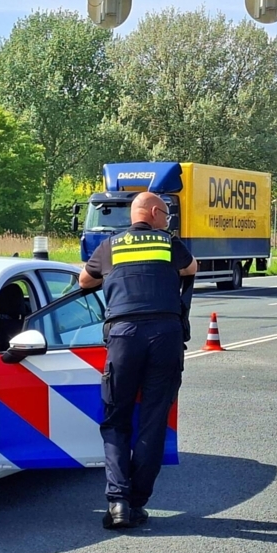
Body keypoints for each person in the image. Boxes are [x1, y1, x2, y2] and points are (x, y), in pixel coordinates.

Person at [79, 191, 198, 529]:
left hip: (124, 337)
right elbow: (192, 268)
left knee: (116, 420)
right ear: (155, 212)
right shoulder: (168, 243)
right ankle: (137, 501)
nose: (167, 221)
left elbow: (85, 281)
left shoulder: (110, 246)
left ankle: (118, 502)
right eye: (166, 215)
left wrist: (114, 276)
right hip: (165, 335)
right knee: (153, 420)